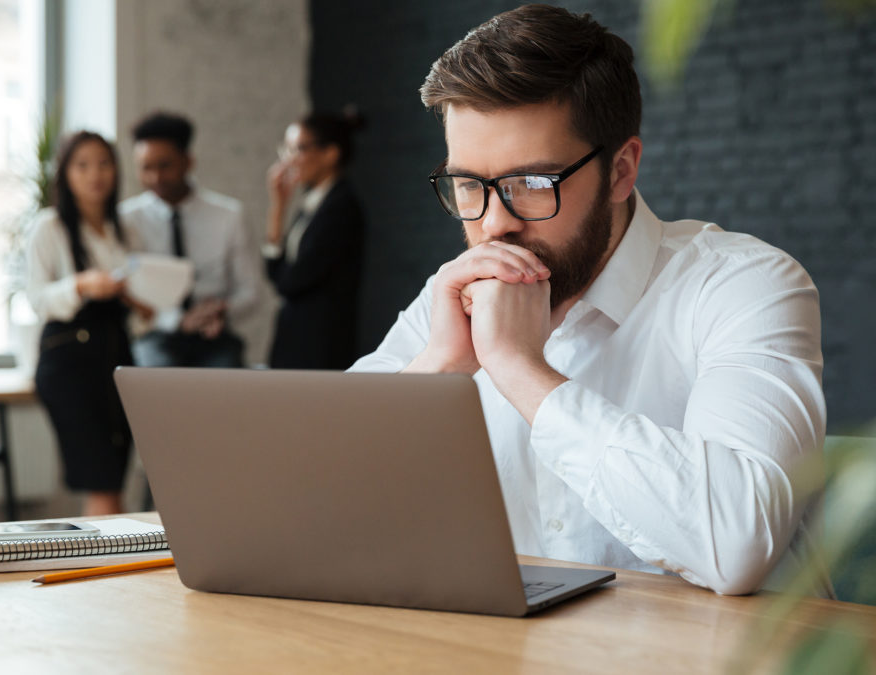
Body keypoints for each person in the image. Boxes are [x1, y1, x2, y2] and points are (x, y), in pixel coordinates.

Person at [350, 5, 827, 595]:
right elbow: (316, 500)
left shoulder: (744, 285)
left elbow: (736, 544)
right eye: (469, 185)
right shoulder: (451, 300)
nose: (494, 224)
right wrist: (438, 369)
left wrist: (521, 370)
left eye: (531, 183)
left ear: (621, 170)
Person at [27, 131, 150, 516]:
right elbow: (37, 299)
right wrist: (81, 284)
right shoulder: (49, 227)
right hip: (70, 363)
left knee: (114, 476)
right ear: (65, 173)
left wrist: (140, 302)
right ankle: (104, 573)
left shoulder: (124, 229)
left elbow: (141, 302)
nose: (95, 174)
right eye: (82, 165)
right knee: (102, 481)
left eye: (104, 163)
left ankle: (103, 569)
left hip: (116, 358)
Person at [120, 112, 260, 368]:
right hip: (156, 334)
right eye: (145, 167)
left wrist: (220, 312)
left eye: (164, 165)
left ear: (188, 162)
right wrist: (175, 320)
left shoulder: (228, 216)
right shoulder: (127, 220)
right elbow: (126, 295)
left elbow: (249, 292)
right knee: (154, 384)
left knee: (225, 389)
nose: (155, 178)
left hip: (214, 334)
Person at [263, 110, 366, 369]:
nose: (288, 161)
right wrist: (278, 206)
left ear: (330, 153)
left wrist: (278, 207)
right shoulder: (314, 204)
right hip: (298, 339)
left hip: (320, 345)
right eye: (286, 150)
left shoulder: (340, 208)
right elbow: (276, 271)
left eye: (297, 149)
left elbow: (289, 281)